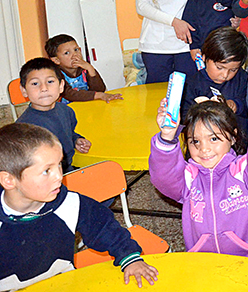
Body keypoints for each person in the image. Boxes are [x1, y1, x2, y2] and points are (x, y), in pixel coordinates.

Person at [0, 123, 158, 290]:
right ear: (9, 180)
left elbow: (105, 228)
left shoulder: (70, 203)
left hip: (65, 282)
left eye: (59, 164)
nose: (59, 176)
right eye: (47, 171)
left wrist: (129, 257)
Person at [149, 99, 248, 257]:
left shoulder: (241, 171)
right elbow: (164, 178)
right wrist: (166, 139)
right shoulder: (189, 177)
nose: (204, 149)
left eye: (214, 139)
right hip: (203, 261)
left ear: (232, 137)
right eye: (195, 141)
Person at [16, 58, 91, 172]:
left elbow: (69, 132)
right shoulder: (24, 129)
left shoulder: (66, 111)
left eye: (50, 81)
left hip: (68, 169)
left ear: (61, 86)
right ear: (24, 90)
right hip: (47, 178)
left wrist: (76, 140)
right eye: (35, 83)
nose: (44, 88)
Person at [181, 27, 248, 136]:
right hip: (203, 145)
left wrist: (236, 105)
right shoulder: (192, 84)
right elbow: (184, 118)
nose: (225, 75)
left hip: (238, 143)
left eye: (233, 70)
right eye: (219, 67)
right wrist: (202, 111)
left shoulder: (243, 79)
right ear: (204, 57)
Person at [45, 34, 122, 103]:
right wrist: (100, 95)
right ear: (56, 60)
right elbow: (70, 94)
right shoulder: (56, 74)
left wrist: (90, 69)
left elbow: (99, 89)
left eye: (76, 50)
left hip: (86, 105)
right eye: (67, 53)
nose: (75, 55)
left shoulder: (84, 68)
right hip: (67, 110)